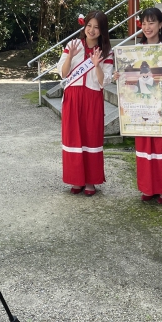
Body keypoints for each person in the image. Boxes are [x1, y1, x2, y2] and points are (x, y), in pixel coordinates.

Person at [116, 7, 162, 204]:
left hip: (161, 103)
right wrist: (120, 76)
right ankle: (148, 186)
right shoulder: (137, 50)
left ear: (161, 24)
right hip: (142, 105)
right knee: (145, 145)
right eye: (144, 23)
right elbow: (129, 77)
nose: (147, 27)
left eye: (151, 22)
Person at [57, 11, 113, 196]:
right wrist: (71, 55)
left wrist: (96, 65)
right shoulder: (72, 45)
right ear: (84, 26)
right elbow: (63, 74)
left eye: (97, 27)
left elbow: (103, 82)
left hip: (92, 98)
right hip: (73, 97)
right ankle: (76, 179)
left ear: (102, 30)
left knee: (91, 137)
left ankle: (90, 181)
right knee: (73, 137)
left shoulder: (106, 52)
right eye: (89, 25)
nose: (91, 30)